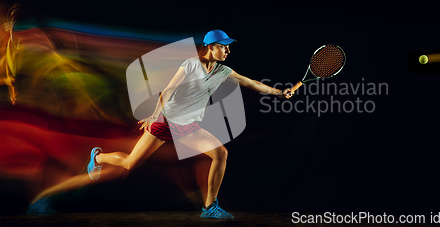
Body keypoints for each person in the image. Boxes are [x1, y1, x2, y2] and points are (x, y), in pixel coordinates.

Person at [27, 30, 293, 219]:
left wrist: (280, 93)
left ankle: (210, 207)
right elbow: (167, 91)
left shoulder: (224, 71)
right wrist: (155, 115)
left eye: (228, 46)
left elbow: (251, 83)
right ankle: (99, 157)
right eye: (223, 46)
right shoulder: (190, 65)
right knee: (130, 165)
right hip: (166, 123)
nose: (228, 49)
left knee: (221, 153)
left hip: (189, 127)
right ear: (210, 47)